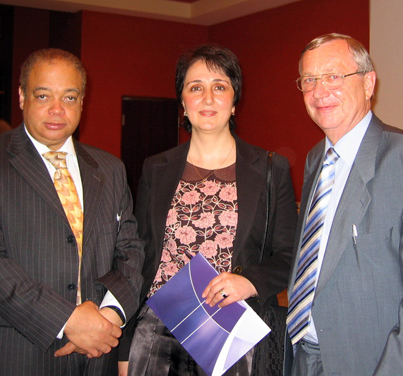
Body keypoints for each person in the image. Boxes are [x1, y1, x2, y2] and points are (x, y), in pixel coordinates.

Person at [0, 48, 144, 376]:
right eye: (43, 95)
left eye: (69, 97)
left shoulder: (110, 168)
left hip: (98, 355)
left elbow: (131, 251)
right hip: (13, 354)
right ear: (22, 97)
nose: (57, 110)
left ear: (82, 101)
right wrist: (67, 321)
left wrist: (108, 318)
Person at [118, 44, 298, 376]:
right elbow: (139, 260)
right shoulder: (156, 169)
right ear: (183, 103)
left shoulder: (271, 169)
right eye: (195, 87)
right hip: (157, 334)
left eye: (219, 87)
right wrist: (125, 347)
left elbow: (290, 254)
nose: (208, 97)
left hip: (231, 334)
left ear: (234, 101)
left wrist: (250, 282)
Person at [286, 33, 403, 376]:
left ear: (368, 83)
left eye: (334, 76)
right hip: (304, 357)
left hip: (374, 363)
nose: (319, 91)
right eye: (309, 80)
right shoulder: (317, 158)